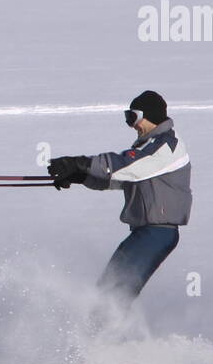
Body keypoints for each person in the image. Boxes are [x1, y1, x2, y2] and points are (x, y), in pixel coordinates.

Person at [47, 90, 191, 305]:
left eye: (132, 117)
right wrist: (81, 176)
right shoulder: (151, 147)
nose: (131, 124)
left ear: (149, 115)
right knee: (108, 286)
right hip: (146, 232)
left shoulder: (167, 146)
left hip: (158, 233)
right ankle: (104, 331)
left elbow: (128, 166)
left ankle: (104, 333)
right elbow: (121, 178)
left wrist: (80, 162)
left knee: (116, 291)